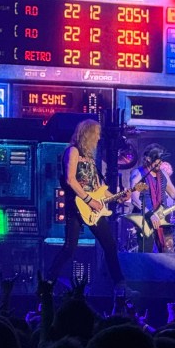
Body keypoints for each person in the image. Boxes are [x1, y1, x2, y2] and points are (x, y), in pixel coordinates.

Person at [45, 118, 131, 293]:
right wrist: (89, 200)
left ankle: (120, 285)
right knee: (69, 248)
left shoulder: (91, 158)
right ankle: (47, 283)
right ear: (88, 134)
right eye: (97, 134)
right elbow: (70, 180)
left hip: (92, 209)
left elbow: (99, 189)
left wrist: (118, 197)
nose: (98, 138)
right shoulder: (72, 151)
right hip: (76, 205)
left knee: (109, 245)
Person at [129, 145, 175, 252]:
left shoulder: (163, 175)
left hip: (162, 217)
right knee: (146, 252)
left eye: (161, 160)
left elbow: (174, 194)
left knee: (168, 250)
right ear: (148, 159)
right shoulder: (139, 174)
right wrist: (150, 214)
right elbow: (135, 199)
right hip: (145, 218)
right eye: (157, 159)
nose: (160, 162)